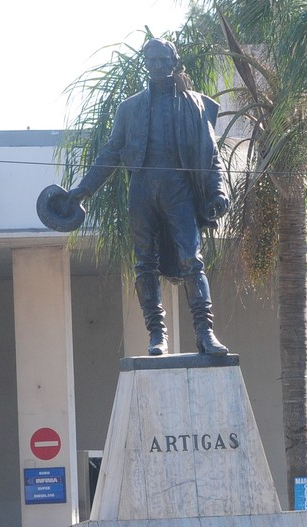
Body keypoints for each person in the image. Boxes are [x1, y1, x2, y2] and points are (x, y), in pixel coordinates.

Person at [66, 37, 230, 356]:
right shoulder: (129, 108)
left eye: (162, 60)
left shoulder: (196, 104)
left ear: (173, 62)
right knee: (144, 264)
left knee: (191, 260)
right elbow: (111, 152)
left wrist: (218, 189)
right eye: (151, 60)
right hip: (141, 189)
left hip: (179, 189)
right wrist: (83, 190)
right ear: (146, 63)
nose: (157, 66)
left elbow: (211, 155)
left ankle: (205, 332)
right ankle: (157, 334)